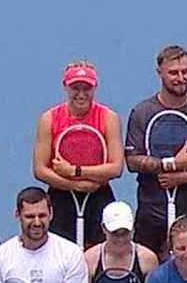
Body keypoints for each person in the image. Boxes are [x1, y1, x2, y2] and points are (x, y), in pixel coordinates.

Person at [123, 45, 187, 254]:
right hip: (151, 214)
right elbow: (132, 161)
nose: (180, 77)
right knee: (149, 276)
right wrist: (170, 164)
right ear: (159, 72)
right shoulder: (141, 113)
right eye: (173, 73)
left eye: (185, 71)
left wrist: (184, 177)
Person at [32, 61, 123, 249]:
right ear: (65, 87)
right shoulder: (48, 119)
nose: (81, 94)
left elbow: (116, 167)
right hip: (61, 198)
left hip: (98, 196)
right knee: (59, 254)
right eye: (75, 88)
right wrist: (74, 185)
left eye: (87, 88)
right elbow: (40, 170)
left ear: (95, 87)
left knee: (101, 254)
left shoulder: (109, 118)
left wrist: (74, 171)